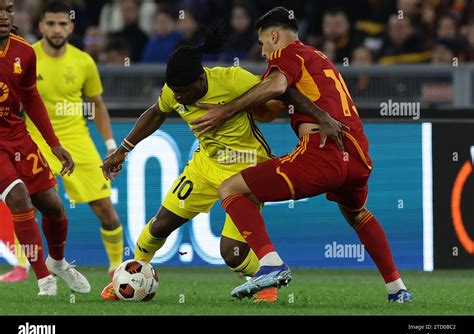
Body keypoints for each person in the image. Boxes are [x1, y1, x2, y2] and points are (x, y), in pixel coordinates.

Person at [99, 25, 341, 303]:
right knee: (159, 226)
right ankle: (128, 276)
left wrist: (320, 115)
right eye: (174, 92)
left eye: (183, 92)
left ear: (201, 80)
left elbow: (283, 93)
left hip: (246, 167)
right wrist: (124, 149)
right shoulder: (174, 91)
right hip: (206, 164)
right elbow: (156, 113)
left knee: (232, 252)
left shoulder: (233, 80)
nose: (178, 98)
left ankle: (264, 281)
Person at [190, 7, 413, 303]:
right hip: (357, 156)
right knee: (357, 214)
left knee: (230, 187)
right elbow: (273, 105)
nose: (265, 53)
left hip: (322, 151)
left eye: (263, 44)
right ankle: (397, 289)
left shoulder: (287, 54)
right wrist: (243, 100)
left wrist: (225, 110)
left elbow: (277, 85)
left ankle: (270, 264)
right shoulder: (317, 59)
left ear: (274, 36)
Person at [1, 1, 124, 281]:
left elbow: (98, 105)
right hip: (36, 139)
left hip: (78, 140)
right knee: (27, 202)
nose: (57, 29)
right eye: (51, 24)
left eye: (62, 24)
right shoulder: (25, 54)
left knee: (105, 207)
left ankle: (115, 267)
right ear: (41, 26)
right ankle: (23, 267)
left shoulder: (84, 61)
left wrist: (109, 145)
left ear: (71, 27)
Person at [0, 0, 89, 295]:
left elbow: (32, 99)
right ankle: (43, 280)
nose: (3, 16)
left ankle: (58, 264)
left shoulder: (24, 52)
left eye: (8, 10)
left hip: (18, 138)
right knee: (19, 198)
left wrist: (54, 144)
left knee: (53, 207)